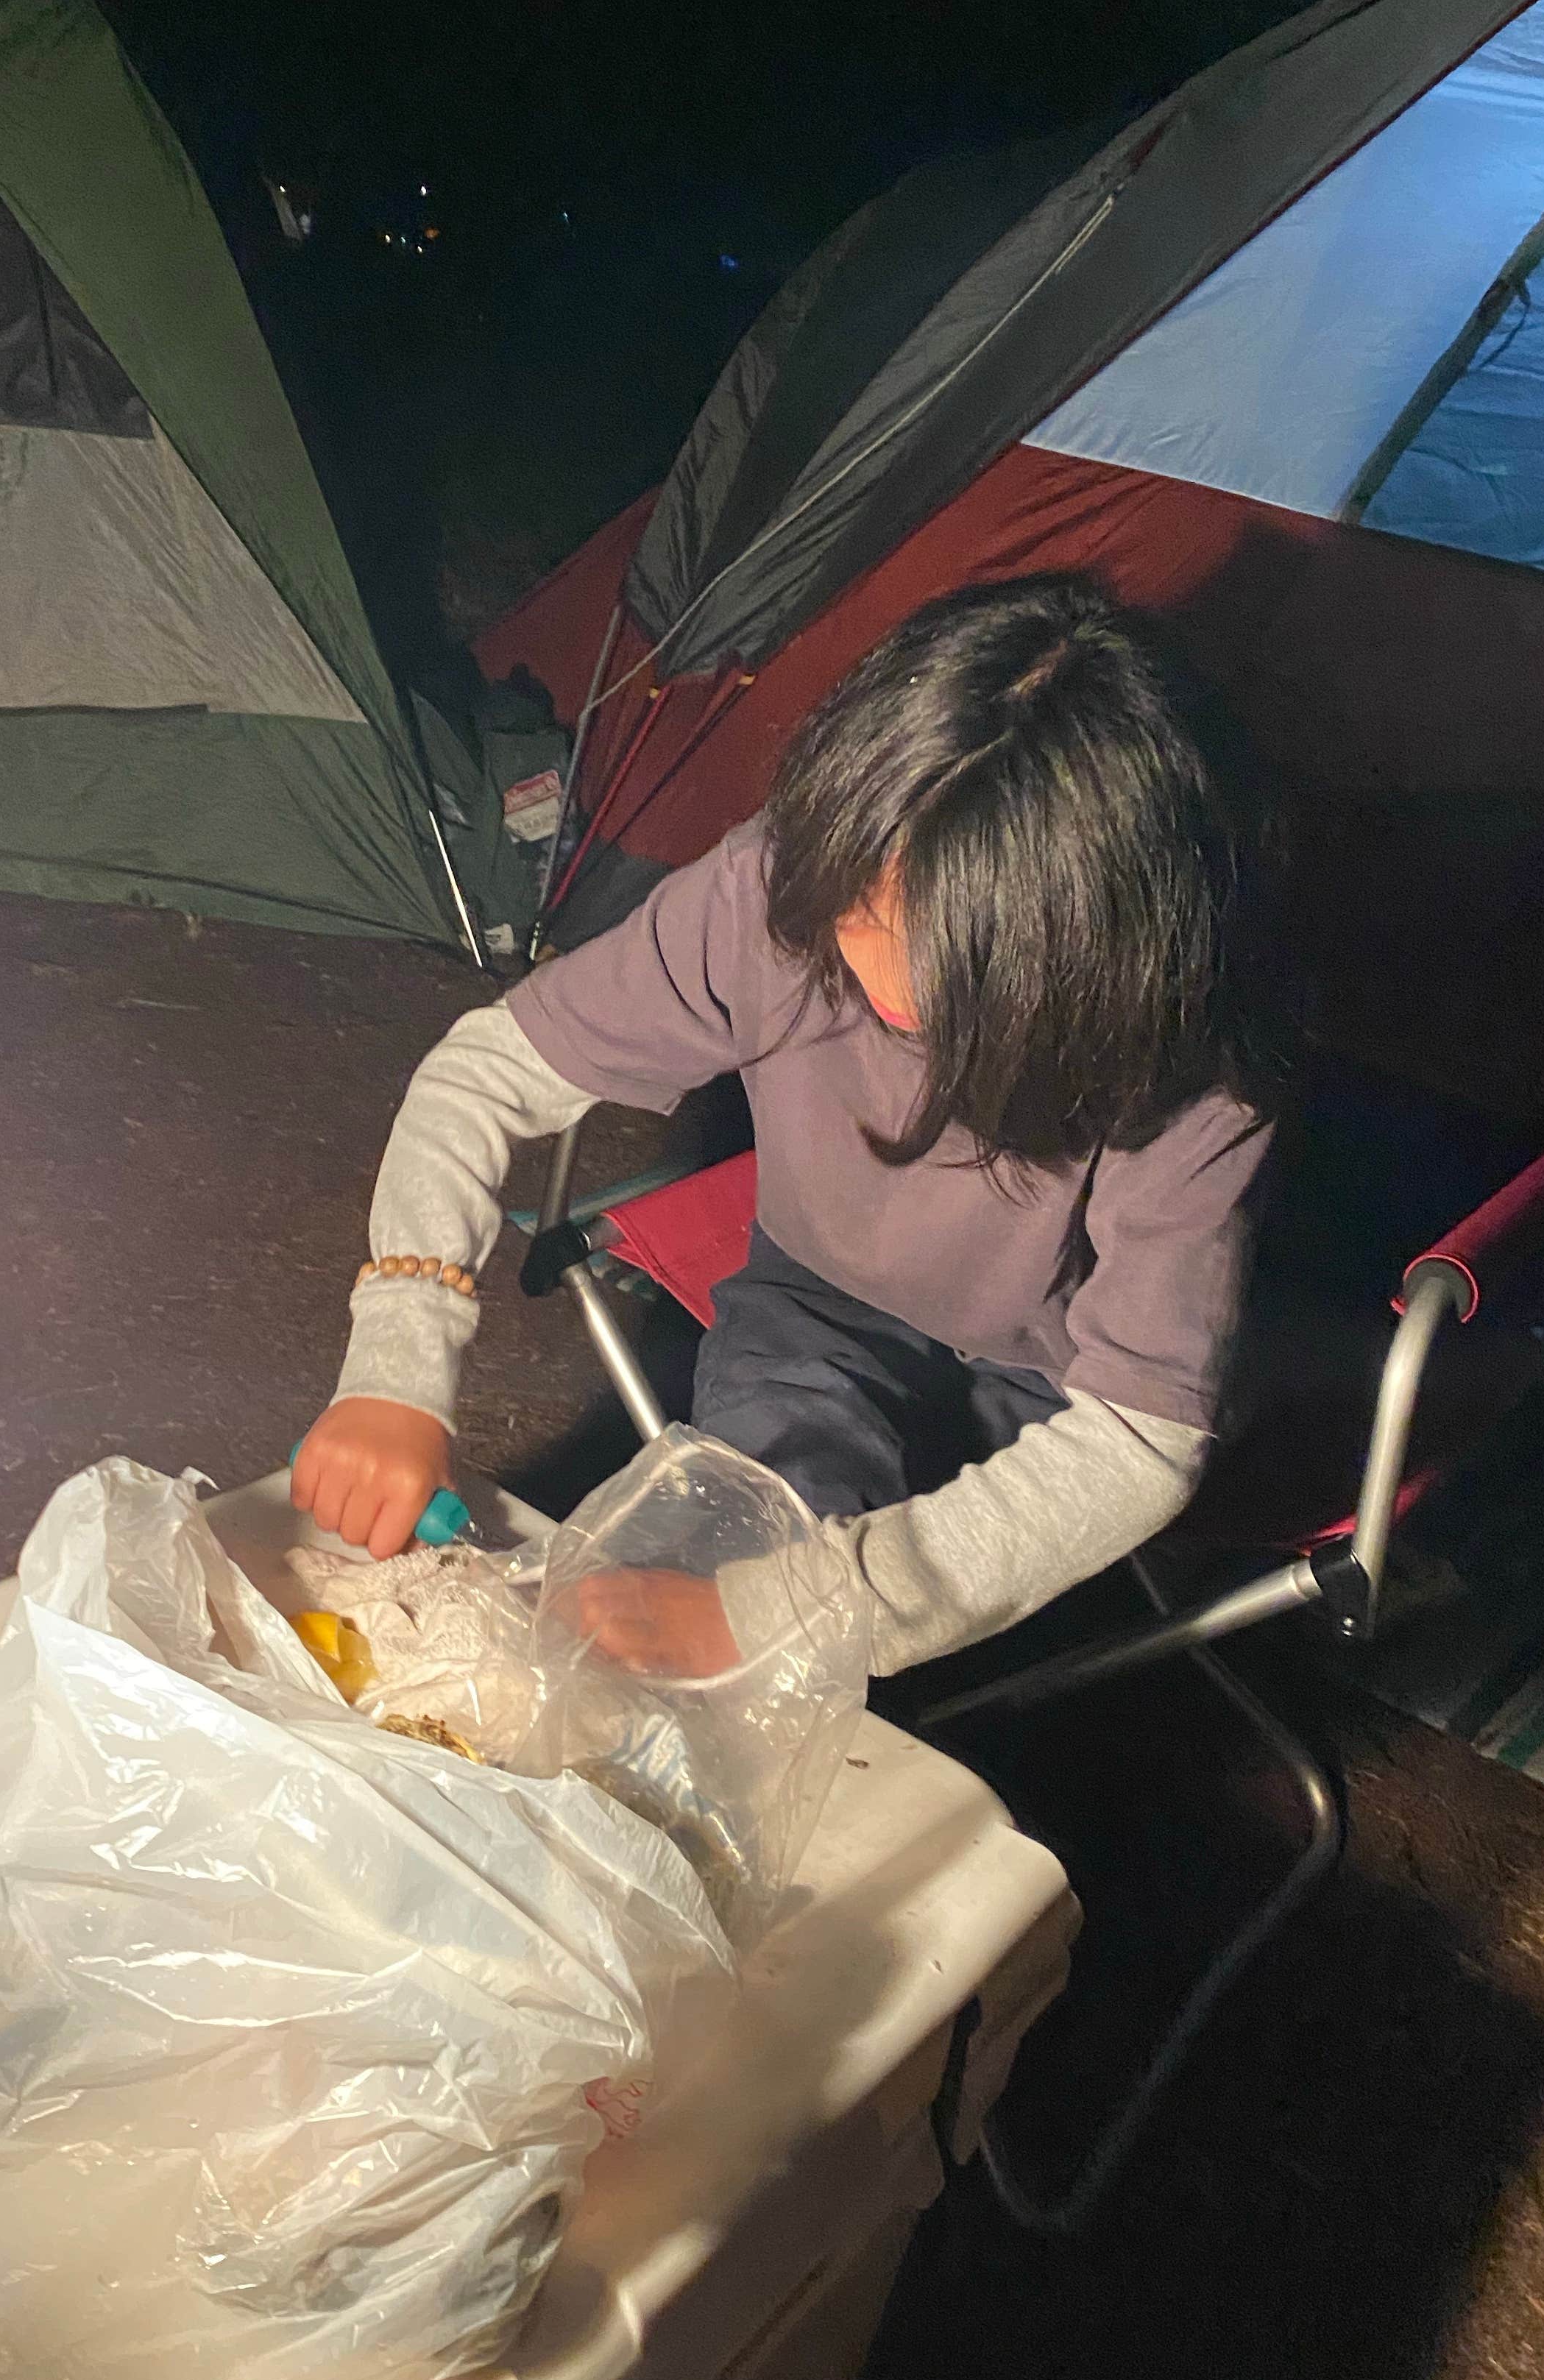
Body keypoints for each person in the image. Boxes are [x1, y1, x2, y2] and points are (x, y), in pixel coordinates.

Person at [291, 575, 1279, 1678]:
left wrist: (804, 1613)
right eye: (863, 909)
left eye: (955, 957)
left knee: (803, 1638)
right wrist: (394, 1362)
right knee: (713, 1614)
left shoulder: (1191, 1056)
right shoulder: (786, 881)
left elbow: (1137, 1435)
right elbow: (482, 1077)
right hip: (819, 1303)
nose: (874, 964)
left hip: (1057, 1380)